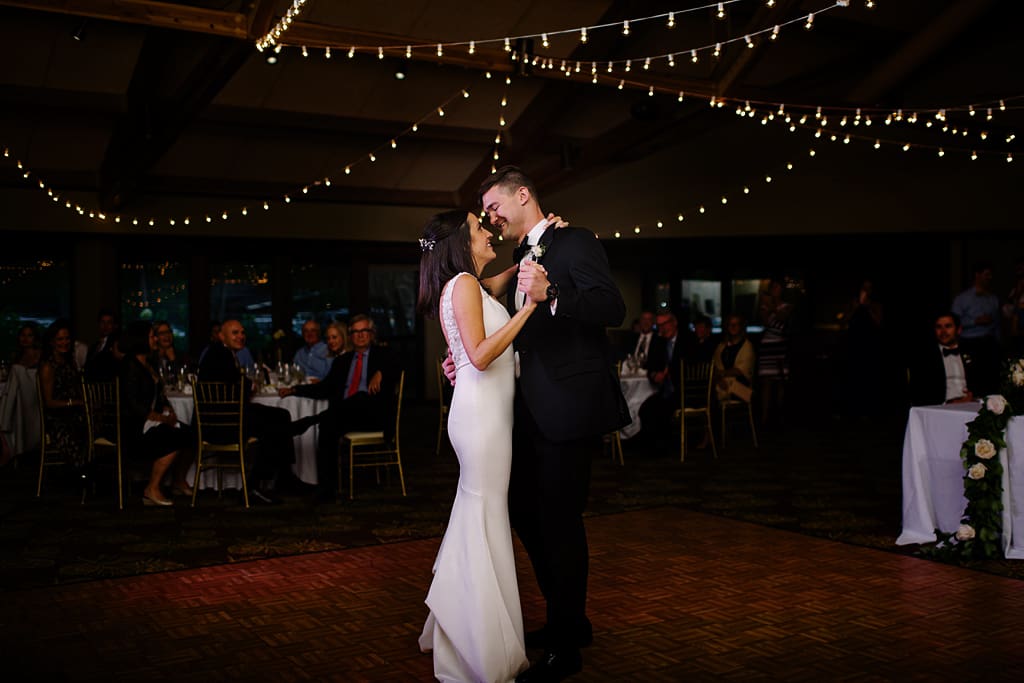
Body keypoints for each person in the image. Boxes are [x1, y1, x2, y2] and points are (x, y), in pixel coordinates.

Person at [477, 165, 628, 683]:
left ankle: (567, 640)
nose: (492, 218)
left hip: (568, 404)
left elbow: (612, 306)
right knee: (522, 509)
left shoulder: (575, 240)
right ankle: (569, 617)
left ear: (523, 195)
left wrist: (554, 293)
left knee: (561, 520)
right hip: (527, 407)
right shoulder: (521, 255)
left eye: (495, 207)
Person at [416, 208, 539, 682]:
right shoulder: (464, 284)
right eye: (478, 227)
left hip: (483, 416)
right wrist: (529, 308)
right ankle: (478, 643)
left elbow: (505, 281)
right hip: (481, 420)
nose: (488, 232)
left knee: (480, 515)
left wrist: (536, 250)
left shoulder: (472, 285)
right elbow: (482, 355)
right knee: (485, 515)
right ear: (460, 243)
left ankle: (462, 626)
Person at [278, 314, 400, 501]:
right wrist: (295, 389)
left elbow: (400, 363)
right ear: (350, 336)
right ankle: (327, 489)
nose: (360, 335)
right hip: (346, 416)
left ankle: (309, 421)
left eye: (364, 331)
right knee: (327, 425)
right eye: (355, 332)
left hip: (372, 416)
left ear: (372, 333)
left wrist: (382, 372)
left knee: (360, 397)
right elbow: (324, 388)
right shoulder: (342, 361)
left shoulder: (383, 355)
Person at [197, 318, 298, 503]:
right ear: (221, 336)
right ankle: (256, 485)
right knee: (276, 422)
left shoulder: (222, 352)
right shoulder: (220, 354)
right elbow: (236, 387)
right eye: (235, 333)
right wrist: (250, 385)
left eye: (242, 332)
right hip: (222, 424)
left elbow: (232, 384)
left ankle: (284, 476)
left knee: (280, 416)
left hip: (227, 417)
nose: (241, 336)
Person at [118, 320, 194, 506]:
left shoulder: (148, 362)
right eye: (152, 336)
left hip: (150, 420)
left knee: (191, 434)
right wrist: (161, 419)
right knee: (174, 436)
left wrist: (168, 409)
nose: (156, 340)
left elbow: (159, 394)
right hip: (134, 427)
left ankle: (178, 480)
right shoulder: (130, 365)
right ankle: (151, 488)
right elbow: (133, 405)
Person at [38, 318, 88, 472]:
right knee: (76, 431)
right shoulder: (48, 366)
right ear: (52, 342)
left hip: (76, 414)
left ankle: (88, 470)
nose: (64, 342)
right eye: (60, 339)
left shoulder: (70, 362)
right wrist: (73, 402)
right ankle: (81, 472)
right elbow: (48, 402)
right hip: (58, 419)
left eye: (67, 338)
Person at [908, 312, 981, 407]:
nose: (943, 331)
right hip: (940, 408)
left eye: (948, 326)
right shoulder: (924, 357)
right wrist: (948, 403)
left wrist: (973, 397)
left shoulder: (972, 352)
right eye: (939, 327)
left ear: (959, 330)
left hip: (971, 406)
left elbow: (982, 383)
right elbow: (918, 391)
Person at [952, 260, 1001, 397]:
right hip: (969, 344)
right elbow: (953, 322)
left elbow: (997, 324)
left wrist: (998, 344)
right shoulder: (962, 299)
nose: (990, 277)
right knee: (972, 380)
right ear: (977, 275)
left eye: (991, 275)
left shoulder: (993, 299)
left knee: (990, 381)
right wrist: (975, 321)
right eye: (987, 274)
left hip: (989, 344)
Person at [637, 311, 684, 452]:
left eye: (666, 324)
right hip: (665, 391)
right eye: (659, 325)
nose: (663, 328)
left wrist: (669, 371)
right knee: (644, 408)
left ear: (674, 323)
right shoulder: (659, 343)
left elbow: (690, 365)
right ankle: (651, 449)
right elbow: (650, 366)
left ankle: (662, 448)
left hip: (683, 390)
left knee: (658, 409)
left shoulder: (686, 341)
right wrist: (654, 374)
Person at [756, 277, 793, 427]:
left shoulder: (787, 306)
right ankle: (765, 418)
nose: (775, 290)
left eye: (778, 287)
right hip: (767, 346)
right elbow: (765, 321)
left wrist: (771, 306)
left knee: (780, 381)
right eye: (773, 287)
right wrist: (769, 307)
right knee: (766, 382)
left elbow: (782, 318)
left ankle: (780, 415)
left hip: (780, 345)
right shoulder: (764, 306)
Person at [713, 313, 756, 404]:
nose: (732, 327)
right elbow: (715, 367)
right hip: (721, 383)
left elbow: (741, 371)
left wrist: (722, 374)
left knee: (716, 391)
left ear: (741, 326)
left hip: (742, 388)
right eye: (730, 324)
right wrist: (719, 379)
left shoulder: (747, 346)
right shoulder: (721, 346)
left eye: (736, 324)